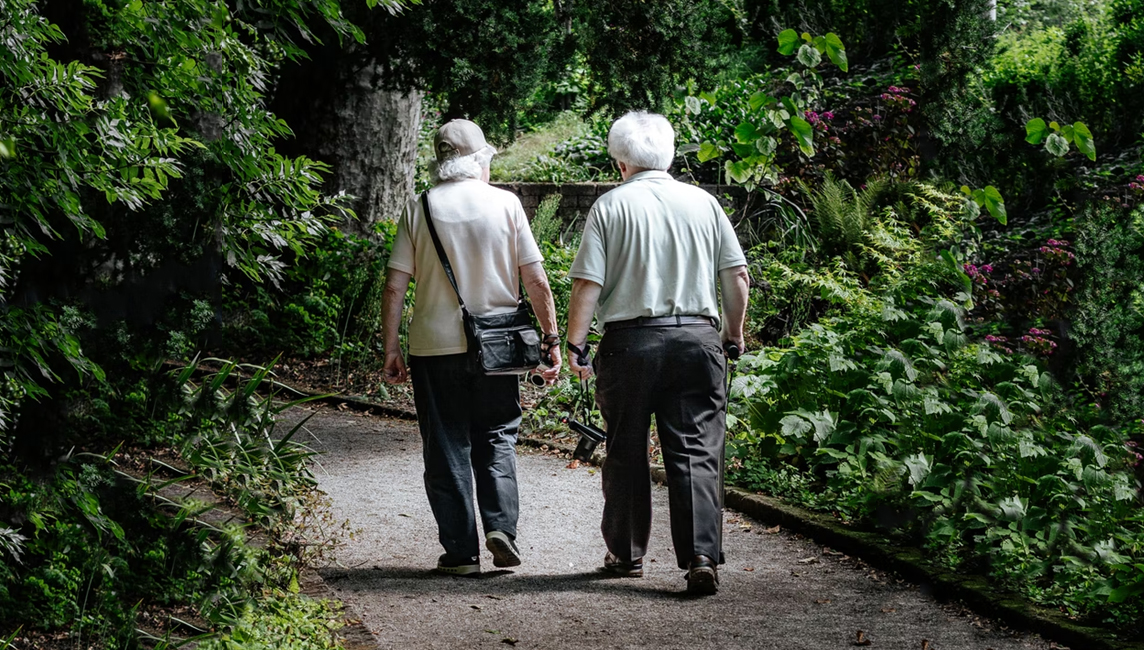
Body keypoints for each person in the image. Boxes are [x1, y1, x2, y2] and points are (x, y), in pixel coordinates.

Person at [565, 111, 750, 595]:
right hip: (696, 339)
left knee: (625, 447)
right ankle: (701, 557)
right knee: (695, 451)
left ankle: (626, 554)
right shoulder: (704, 203)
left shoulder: (610, 207)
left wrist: (576, 344)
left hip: (630, 344)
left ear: (620, 161)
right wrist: (733, 333)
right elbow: (736, 276)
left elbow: (588, 284)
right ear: (668, 154)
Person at [381, 119, 562, 576]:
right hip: (499, 347)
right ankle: (501, 528)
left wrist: (390, 348)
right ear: (480, 159)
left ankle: (461, 552)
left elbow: (394, 287)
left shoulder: (419, 207)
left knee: (445, 445)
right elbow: (535, 279)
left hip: (433, 348)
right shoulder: (506, 204)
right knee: (497, 434)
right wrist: (551, 338)